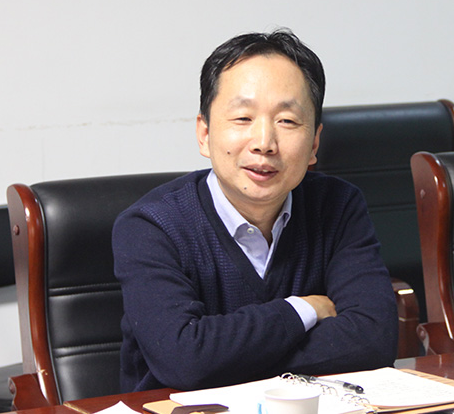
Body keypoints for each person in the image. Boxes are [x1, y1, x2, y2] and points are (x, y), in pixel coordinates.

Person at [113, 28, 398, 393]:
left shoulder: (338, 206)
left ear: (314, 143)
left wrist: (225, 358)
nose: (264, 143)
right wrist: (304, 310)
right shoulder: (151, 226)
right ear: (204, 134)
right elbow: (184, 359)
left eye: (287, 121)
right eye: (243, 118)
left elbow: (375, 339)